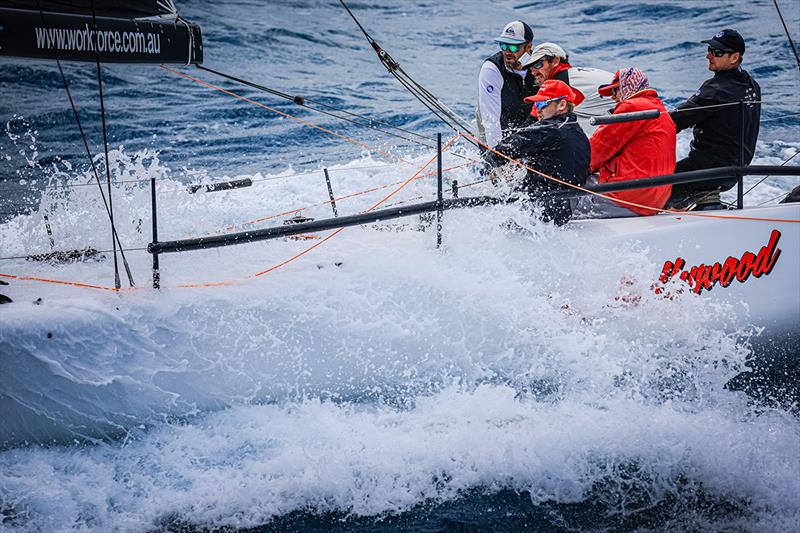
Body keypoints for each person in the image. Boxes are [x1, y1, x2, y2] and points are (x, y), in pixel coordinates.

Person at [668, 29, 761, 210]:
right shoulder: (752, 85)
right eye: (710, 49)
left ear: (734, 58)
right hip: (736, 171)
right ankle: (696, 205)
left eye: (717, 52)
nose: (709, 56)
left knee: (651, 186)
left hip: (707, 170)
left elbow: (674, 121)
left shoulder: (717, 89)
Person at [572, 67, 675, 218]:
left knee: (562, 201)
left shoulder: (631, 107)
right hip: (655, 200)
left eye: (615, 91)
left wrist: (569, 169)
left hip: (626, 197)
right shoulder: (660, 109)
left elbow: (597, 150)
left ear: (627, 87)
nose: (613, 98)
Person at [484, 79, 590, 225]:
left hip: (541, 210)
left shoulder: (550, 129)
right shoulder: (576, 130)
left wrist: (488, 167)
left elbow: (502, 150)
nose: (537, 109)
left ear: (562, 104)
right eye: (536, 104)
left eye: (542, 103)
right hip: (564, 208)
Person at [477, 21, 536, 149]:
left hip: (527, 124)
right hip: (495, 122)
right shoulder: (492, 69)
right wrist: (497, 157)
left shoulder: (539, 67)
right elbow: (491, 121)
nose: (507, 52)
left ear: (528, 47)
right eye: (503, 46)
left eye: (514, 47)